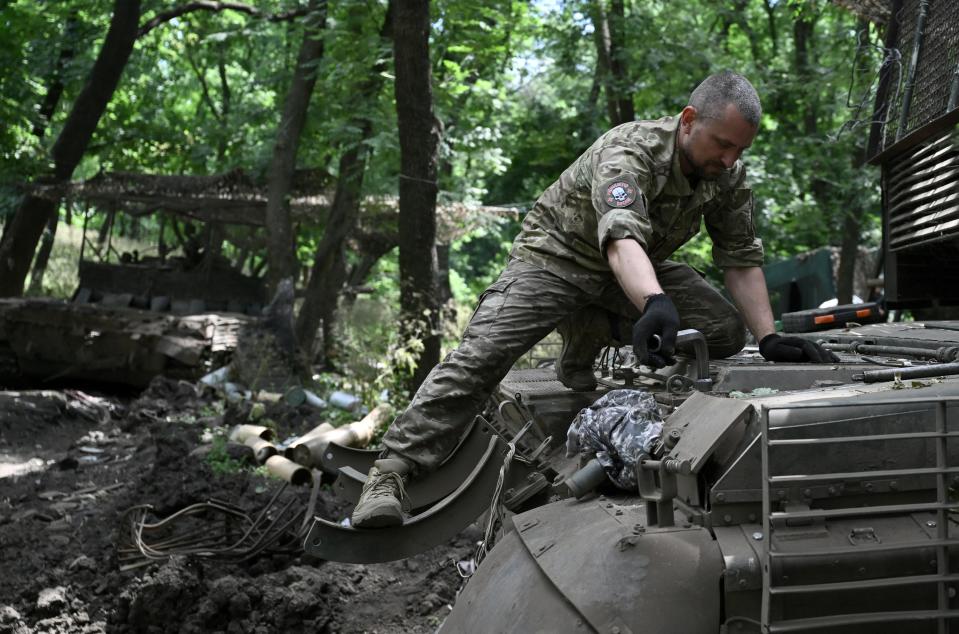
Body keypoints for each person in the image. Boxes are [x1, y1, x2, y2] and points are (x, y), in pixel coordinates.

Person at [350, 71, 837, 528]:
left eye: (740, 149)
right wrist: (653, 302)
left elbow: (740, 258)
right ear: (689, 121)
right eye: (723, 144)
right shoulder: (630, 151)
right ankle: (391, 471)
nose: (729, 159)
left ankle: (586, 325)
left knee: (722, 331)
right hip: (557, 258)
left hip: (633, 264)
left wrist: (768, 336)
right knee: (483, 353)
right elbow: (619, 238)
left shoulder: (726, 175)